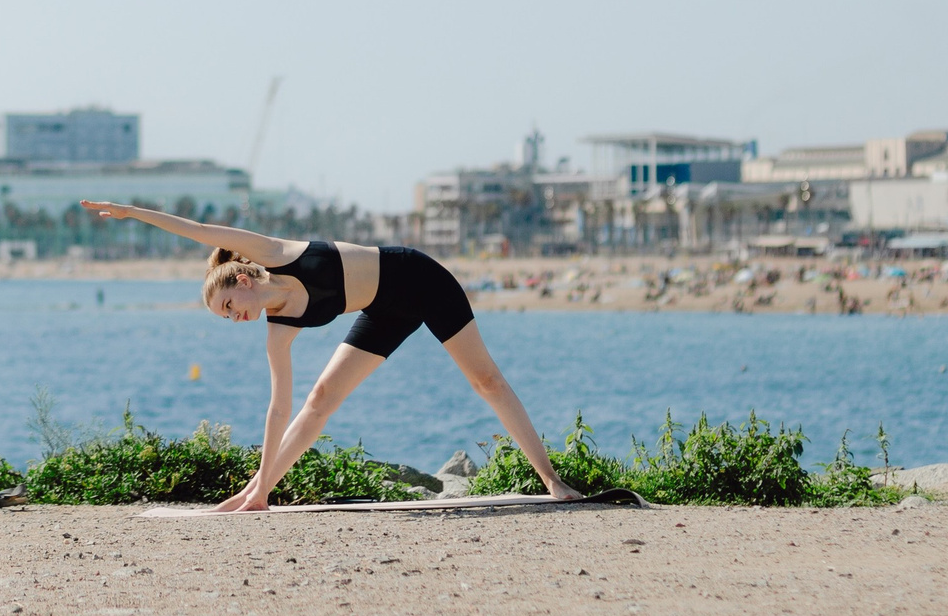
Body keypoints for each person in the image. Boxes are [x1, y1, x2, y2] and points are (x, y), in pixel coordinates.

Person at [76, 199, 582, 510]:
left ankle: (552, 482)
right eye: (225, 317)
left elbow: (201, 232)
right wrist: (260, 487)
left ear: (246, 279)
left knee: (485, 381)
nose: (234, 318)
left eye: (230, 305)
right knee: (318, 398)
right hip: (384, 309)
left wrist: (132, 213)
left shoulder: (275, 252)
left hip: (421, 281)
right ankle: (257, 495)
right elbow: (279, 408)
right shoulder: (277, 329)